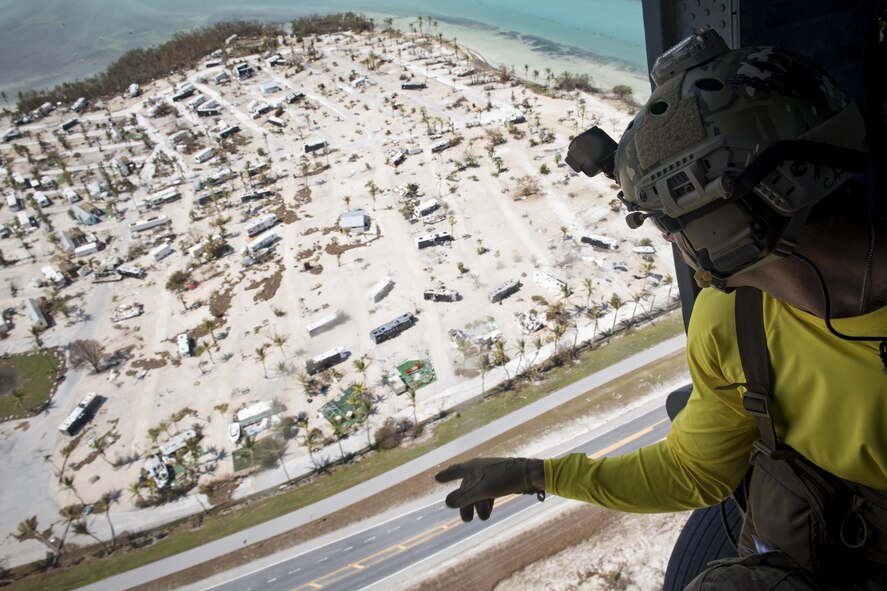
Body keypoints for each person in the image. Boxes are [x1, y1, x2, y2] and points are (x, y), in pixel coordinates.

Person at [435, 28, 887, 589]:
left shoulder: (735, 321)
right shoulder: (733, 323)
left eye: (665, 221)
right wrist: (533, 474)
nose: (675, 242)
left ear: (724, 222)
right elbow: (690, 469)